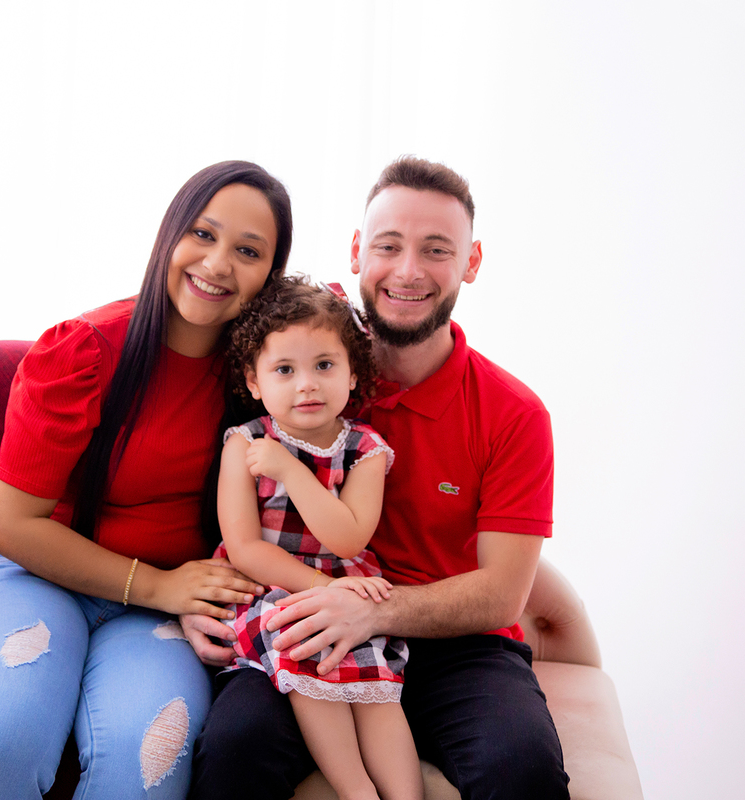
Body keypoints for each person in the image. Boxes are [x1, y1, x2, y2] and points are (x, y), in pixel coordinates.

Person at [186, 156, 570, 800]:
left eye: (437, 249)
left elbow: (503, 595)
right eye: (389, 246)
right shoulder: (304, 368)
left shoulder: (514, 414)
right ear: (358, 253)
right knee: (234, 751)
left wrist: (366, 610)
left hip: (458, 646)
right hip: (302, 616)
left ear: (471, 263)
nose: (409, 270)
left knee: (522, 769)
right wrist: (197, 600)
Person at [0, 161, 292, 800]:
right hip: (35, 579)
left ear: (270, 274)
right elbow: (12, 526)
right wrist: (160, 585)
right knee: (3, 736)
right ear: (169, 234)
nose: (216, 264)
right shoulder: (84, 351)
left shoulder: (265, 378)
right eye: (202, 235)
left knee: (151, 751)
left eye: (248, 251)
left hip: (155, 615)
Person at [216, 275, 421, 800]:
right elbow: (245, 549)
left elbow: (350, 537)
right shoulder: (244, 444)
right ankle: (357, 792)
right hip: (274, 584)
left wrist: (292, 472)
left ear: (353, 374)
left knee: (376, 685)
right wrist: (319, 590)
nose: (306, 383)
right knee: (311, 650)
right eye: (285, 370)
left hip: (347, 584)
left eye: (324, 366)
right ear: (255, 381)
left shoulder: (365, 449)